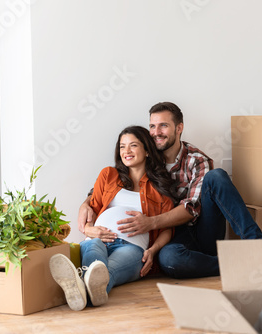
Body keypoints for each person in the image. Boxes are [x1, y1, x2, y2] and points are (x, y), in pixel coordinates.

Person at [78, 102, 262, 279]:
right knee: (170, 261)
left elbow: (190, 208)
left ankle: (258, 246)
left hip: (203, 228)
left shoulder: (197, 160)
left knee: (216, 176)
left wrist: (150, 223)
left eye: (163, 126)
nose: (156, 132)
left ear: (179, 128)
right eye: (152, 126)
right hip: (176, 236)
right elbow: (107, 186)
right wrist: (86, 204)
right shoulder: (143, 155)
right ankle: (235, 265)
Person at [50, 125, 175, 311]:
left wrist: (153, 251)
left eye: (133, 145)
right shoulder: (108, 175)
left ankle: (78, 287)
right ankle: (91, 295)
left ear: (147, 150)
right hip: (97, 240)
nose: (127, 151)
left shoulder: (159, 187)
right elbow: (89, 211)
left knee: (103, 272)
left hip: (132, 249)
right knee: (94, 258)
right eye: (122, 146)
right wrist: (90, 230)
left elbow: (167, 228)